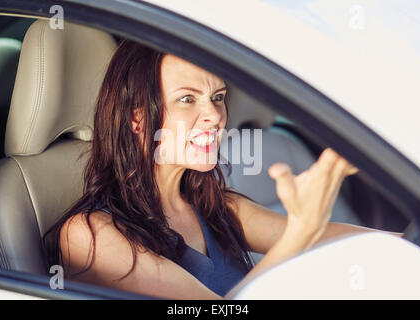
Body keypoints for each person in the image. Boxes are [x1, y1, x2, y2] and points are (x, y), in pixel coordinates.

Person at [43, 39, 392, 300]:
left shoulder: (215, 205)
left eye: (218, 97)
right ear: (137, 118)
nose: (215, 116)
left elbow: (323, 236)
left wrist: (414, 243)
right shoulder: (88, 235)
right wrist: (301, 232)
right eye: (187, 98)